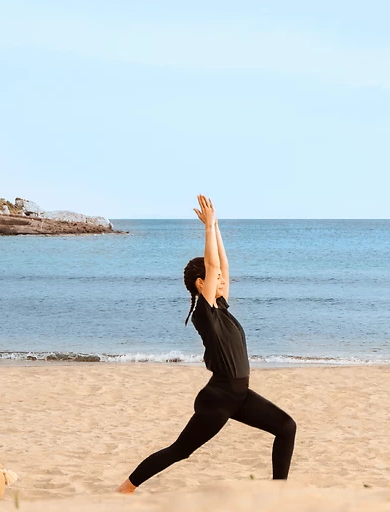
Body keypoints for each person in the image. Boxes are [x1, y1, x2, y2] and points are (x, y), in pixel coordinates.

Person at [116, 195, 296, 493]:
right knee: (180, 450)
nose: (224, 280)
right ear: (202, 284)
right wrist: (208, 228)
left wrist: (217, 227)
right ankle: (126, 488)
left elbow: (221, 265)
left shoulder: (221, 307)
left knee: (286, 427)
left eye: (223, 279)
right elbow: (213, 267)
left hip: (238, 394)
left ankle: (279, 492)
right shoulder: (205, 311)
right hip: (219, 398)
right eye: (215, 279)